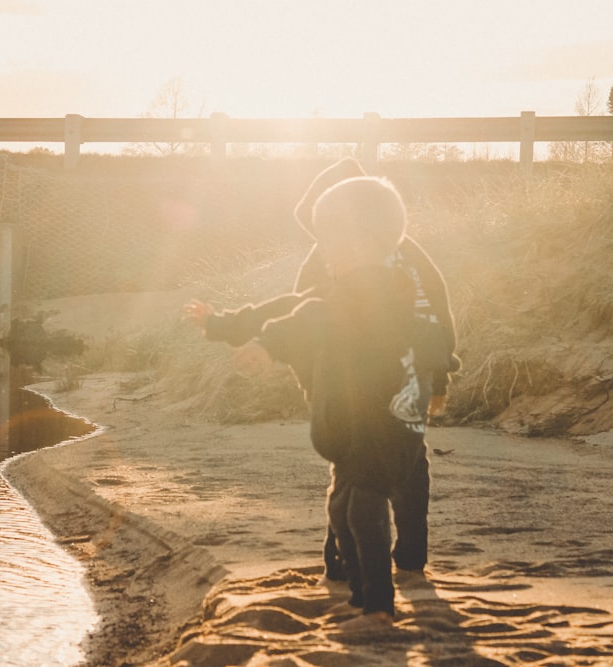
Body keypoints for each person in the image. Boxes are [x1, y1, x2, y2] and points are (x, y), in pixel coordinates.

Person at [183, 177, 453, 630]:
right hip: (361, 425)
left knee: (364, 506)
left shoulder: (380, 290)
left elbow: (312, 316)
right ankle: (361, 588)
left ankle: (379, 603)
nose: (325, 253)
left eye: (334, 244)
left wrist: (267, 345)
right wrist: (222, 325)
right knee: (341, 506)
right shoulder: (356, 286)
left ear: (368, 241)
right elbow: (294, 306)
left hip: (383, 424)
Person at [292, 159, 460, 581]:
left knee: (351, 470)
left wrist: (312, 385)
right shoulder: (409, 254)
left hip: (352, 387)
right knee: (407, 462)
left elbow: (305, 326)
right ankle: (409, 554)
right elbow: (438, 316)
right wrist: (438, 374)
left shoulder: (325, 259)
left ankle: (344, 558)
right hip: (405, 382)